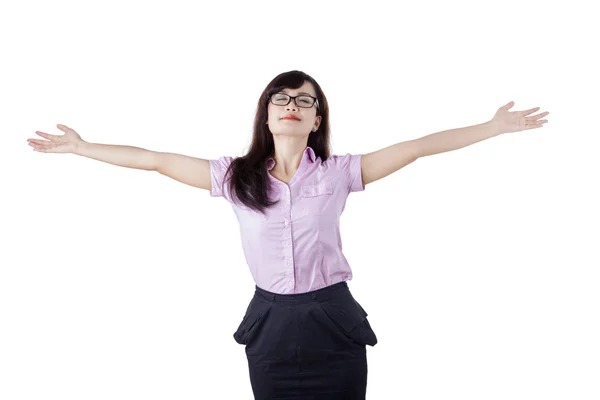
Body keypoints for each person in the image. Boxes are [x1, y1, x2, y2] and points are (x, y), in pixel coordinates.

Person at [27, 70, 549, 399]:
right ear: (268, 114)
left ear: (317, 117)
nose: (292, 104)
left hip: (332, 317)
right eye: (281, 98)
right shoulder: (235, 177)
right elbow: (155, 161)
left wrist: (491, 127)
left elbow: (416, 146)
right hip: (271, 320)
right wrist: (83, 147)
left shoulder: (340, 172)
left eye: (304, 99)